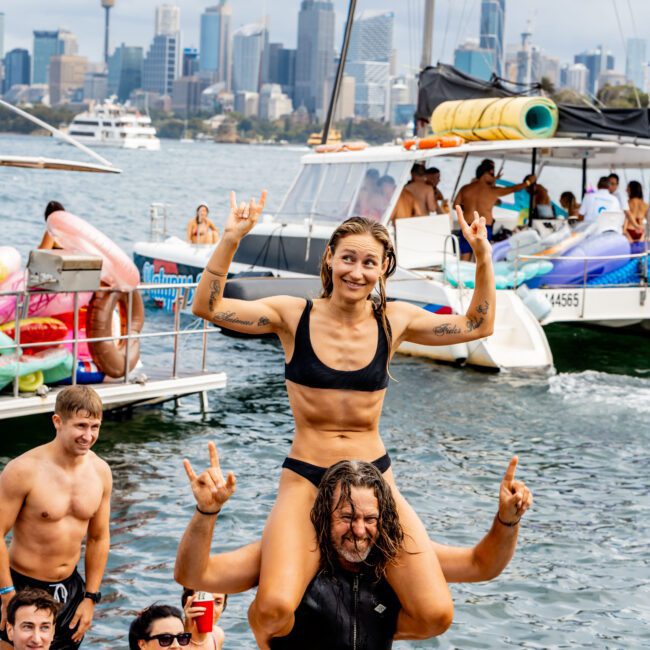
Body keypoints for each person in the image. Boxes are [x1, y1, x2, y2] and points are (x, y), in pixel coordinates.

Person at [191, 190, 495, 648]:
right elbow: (208, 308)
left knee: (435, 613)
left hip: (375, 480)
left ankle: (351, 631)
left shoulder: (395, 320)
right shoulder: (292, 315)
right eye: (348, 258)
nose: (357, 271)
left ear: (383, 269)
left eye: (369, 263)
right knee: (273, 608)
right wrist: (231, 238)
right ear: (330, 257)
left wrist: (483, 258)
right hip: (307, 478)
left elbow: (477, 325)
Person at [175, 443, 533, 649]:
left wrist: (507, 521)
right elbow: (193, 574)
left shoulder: (391, 559)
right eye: (346, 517)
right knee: (272, 607)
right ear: (323, 515)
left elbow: (481, 565)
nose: (359, 530)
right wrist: (206, 512)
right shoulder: (293, 557)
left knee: (437, 612)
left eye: (370, 519)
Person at [0, 386, 112, 650]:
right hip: (20, 585)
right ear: (57, 422)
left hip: (69, 590)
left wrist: (90, 597)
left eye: (95, 427)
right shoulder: (23, 470)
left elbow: (98, 537)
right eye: (81, 426)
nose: (88, 436)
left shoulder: (100, 472)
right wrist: (7, 594)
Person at [453, 160, 534, 260]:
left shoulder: (465, 188)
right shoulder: (493, 191)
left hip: (468, 226)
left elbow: (455, 206)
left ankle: (462, 276)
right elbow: (513, 189)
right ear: (484, 174)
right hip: (484, 227)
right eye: (492, 174)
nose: (494, 177)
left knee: (464, 257)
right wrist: (528, 182)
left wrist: (469, 208)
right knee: (481, 260)